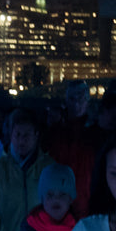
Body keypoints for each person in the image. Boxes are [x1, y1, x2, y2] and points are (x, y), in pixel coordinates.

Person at [43, 80, 101, 217]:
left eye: (80, 99)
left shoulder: (96, 132)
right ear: (66, 100)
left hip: (83, 201)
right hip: (60, 199)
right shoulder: (55, 130)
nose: (76, 103)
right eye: (72, 98)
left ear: (87, 101)